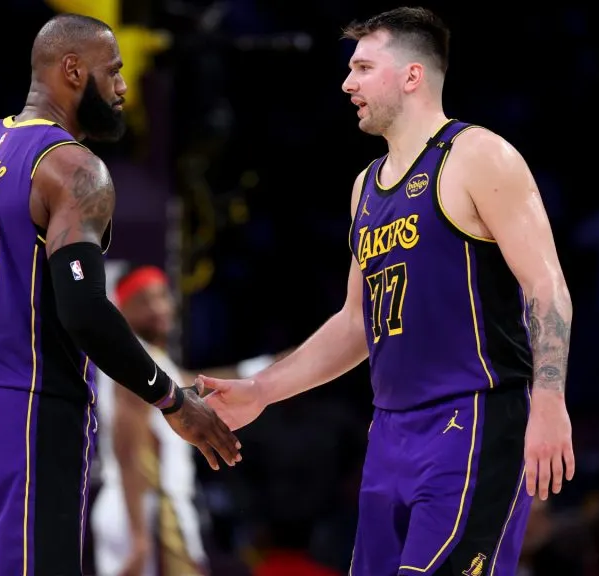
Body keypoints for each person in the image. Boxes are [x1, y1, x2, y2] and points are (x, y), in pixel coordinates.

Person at [200, 7, 574, 575]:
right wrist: (262, 390)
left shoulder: (477, 155)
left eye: (363, 68)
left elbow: (546, 285)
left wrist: (548, 401)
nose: (347, 84)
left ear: (411, 75)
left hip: (472, 418)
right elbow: (356, 322)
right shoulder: (366, 187)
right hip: (390, 431)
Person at [0, 14, 241, 576]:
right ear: (73, 70)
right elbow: (84, 310)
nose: (122, 86)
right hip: (24, 411)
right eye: (114, 71)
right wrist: (173, 402)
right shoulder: (73, 168)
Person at [91, 264, 282, 576]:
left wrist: (280, 367)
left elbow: (207, 382)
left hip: (149, 509)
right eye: (144, 301)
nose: (158, 308)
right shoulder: (133, 363)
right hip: (144, 510)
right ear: (123, 309)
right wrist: (140, 538)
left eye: (161, 297)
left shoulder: (154, 361)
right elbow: (128, 452)